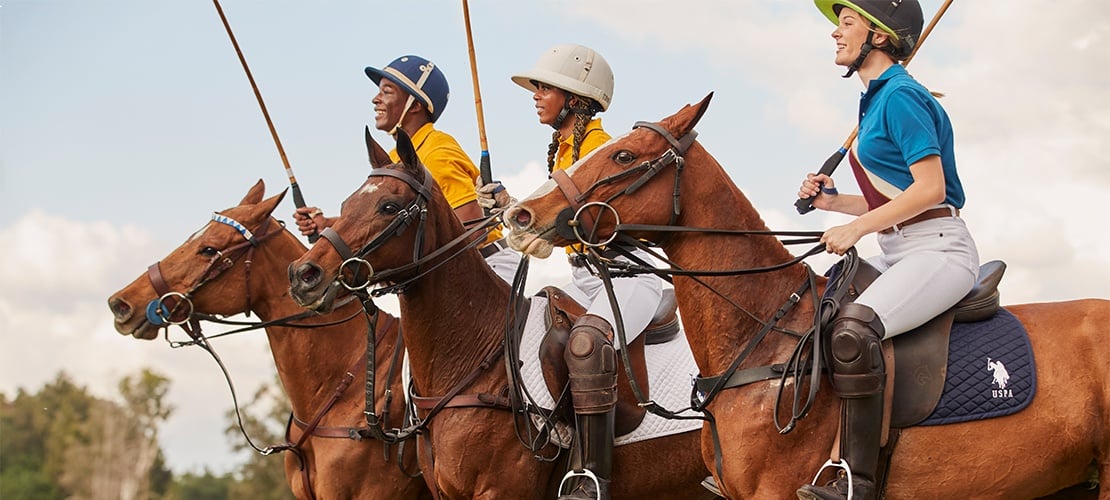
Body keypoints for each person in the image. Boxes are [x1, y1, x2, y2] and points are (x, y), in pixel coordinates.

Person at [796, 1, 980, 499]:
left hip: (938, 250)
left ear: (879, 36)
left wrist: (857, 230)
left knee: (853, 330)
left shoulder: (899, 96)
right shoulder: (875, 99)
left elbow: (930, 190)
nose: (836, 33)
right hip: (900, 246)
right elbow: (892, 198)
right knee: (810, 310)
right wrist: (835, 204)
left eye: (847, 23)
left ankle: (857, 480)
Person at [479, 43, 664, 500]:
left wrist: (524, 219)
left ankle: (592, 473)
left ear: (577, 100)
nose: (536, 94)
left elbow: (573, 223)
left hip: (627, 278)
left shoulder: (601, 148)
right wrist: (510, 207)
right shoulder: (565, 149)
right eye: (536, 87)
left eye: (546, 87)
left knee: (586, 347)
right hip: (584, 276)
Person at [293, 55, 519, 283]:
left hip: (489, 266)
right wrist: (327, 225)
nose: (375, 99)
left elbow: (474, 232)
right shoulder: (395, 159)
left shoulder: (436, 151)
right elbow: (381, 220)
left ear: (416, 105)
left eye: (387, 92)